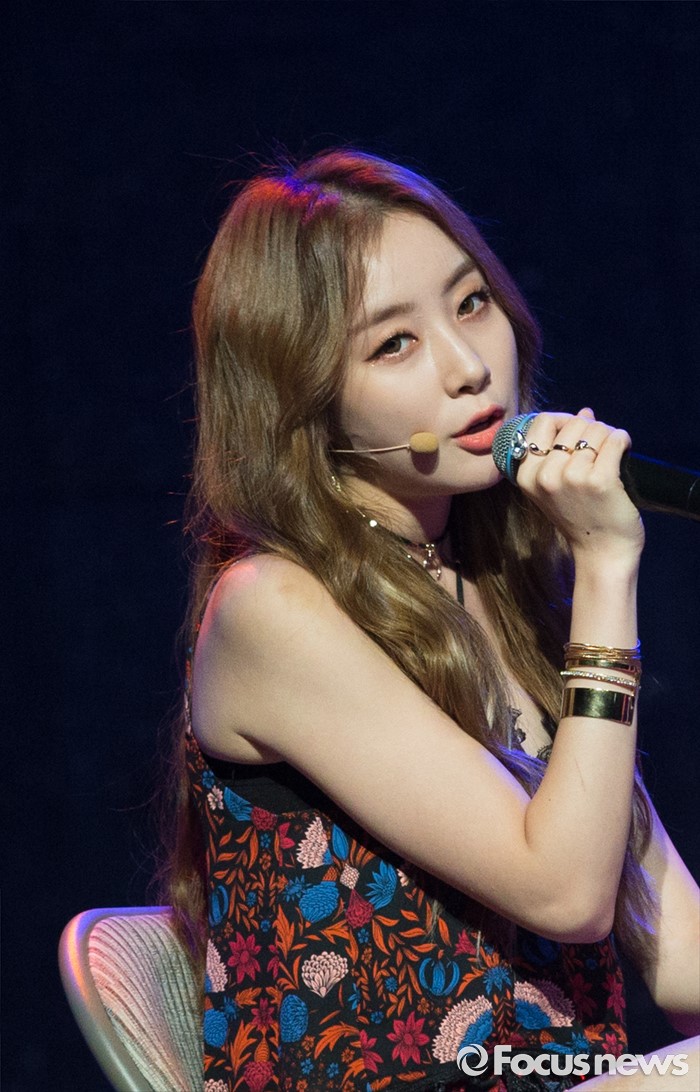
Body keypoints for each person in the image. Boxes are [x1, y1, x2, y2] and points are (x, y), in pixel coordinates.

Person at [164, 150, 699, 1092]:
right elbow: (565, 893)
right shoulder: (269, 608)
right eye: (393, 345)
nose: (468, 367)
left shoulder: (498, 575)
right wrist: (609, 570)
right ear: (304, 400)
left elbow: (673, 940)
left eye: (471, 303)